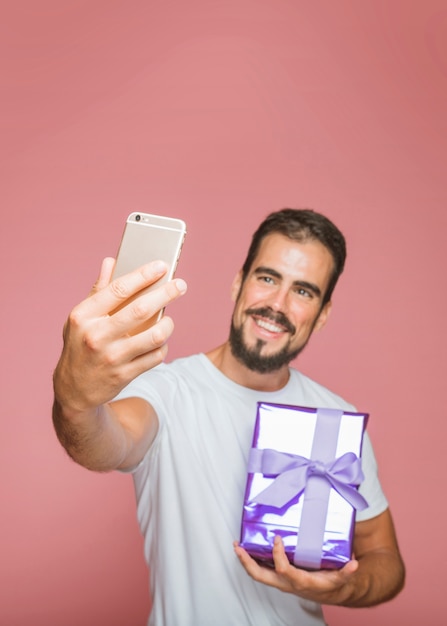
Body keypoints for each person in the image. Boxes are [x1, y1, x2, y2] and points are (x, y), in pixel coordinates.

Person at [52, 208, 405, 626]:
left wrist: (346, 587)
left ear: (323, 314)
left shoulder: (338, 419)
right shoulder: (166, 390)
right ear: (239, 281)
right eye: (268, 278)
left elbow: (386, 561)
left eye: (304, 291)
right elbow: (100, 443)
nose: (277, 304)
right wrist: (74, 400)